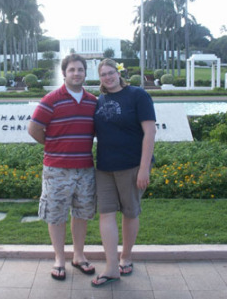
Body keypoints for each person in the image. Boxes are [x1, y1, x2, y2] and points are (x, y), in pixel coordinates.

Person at [28, 54, 97, 281]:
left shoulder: (93, 101)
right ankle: (59, 258)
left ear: (85, 73)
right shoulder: (51, 100)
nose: (76, 73)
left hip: (85, 169)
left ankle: (78, 255)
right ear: (64, 73)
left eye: (80, 70)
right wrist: (54, 146)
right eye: (72, 70)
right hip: (57, 169)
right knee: (56, 215)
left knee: (81, 213)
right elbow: (34, 129)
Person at [91, 58, 156, 287]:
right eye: (103, 75)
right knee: (106, 214)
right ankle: (111, 267)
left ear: (119, 74)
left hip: (132, 165)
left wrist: (144, 168)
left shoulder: (137, 95)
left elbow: (150, 132)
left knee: (130, 212)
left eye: (111, 73)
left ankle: (126, 256)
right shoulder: (100, 100)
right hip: (105, 167)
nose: (107, 77)